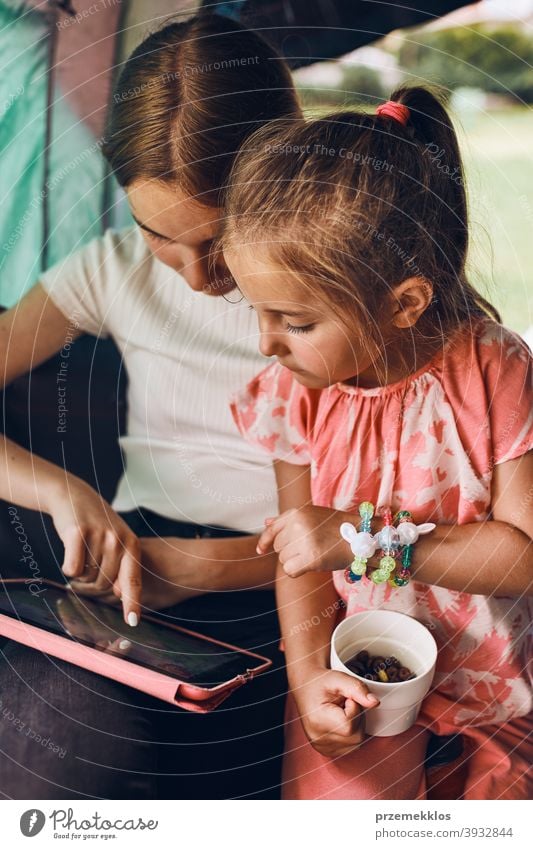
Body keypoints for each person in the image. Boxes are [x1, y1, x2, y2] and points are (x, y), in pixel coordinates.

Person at [0, 13, 302, 799]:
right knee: (54, 739)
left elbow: (398, 520)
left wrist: (208, 566)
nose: (197, 277)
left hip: (302, 583)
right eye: (159, 234)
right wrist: (61, 490)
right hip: (139, 573)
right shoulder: (112, 270)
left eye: (222, 237)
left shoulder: (338, 293)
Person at [223, 86, 533, 799]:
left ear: (403, 303)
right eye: (257, 312)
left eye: (294, 321)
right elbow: (299, 554)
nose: (265, 342)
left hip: (497, 690)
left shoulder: (495, 371)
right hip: (361, 678)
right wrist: (307, 681)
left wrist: (370, 543)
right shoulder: (295, 390)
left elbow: (521, 558)